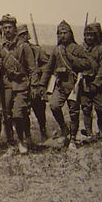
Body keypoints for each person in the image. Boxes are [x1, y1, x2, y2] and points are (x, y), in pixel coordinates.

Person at [39, 20, 96, 148]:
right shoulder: (56, 50)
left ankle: (73, 138)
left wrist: (71, 59)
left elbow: (89, 64)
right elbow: (49, 68)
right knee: (54, 105)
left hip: (74, 86)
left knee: (74, 112)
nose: (62, 35)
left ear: (70, 34)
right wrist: (42, 85)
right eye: (59, 33)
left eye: (65, 33)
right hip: (60, 85)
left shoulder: (78, 49)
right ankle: (64, 128)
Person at [0, 15, 39, 155]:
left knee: (18, 114)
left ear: (15, 29)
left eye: (10, 27)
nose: (7, 30)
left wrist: (35, 86)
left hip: (21, 85)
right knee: (6, 116)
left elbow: (32, 68)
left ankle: (21, 141)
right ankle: (11, 144)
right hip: (5, 86)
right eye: (4, 28)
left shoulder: (23, 47)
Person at [17, 24, 49, 141]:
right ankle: (28, 136)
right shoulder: (17, 50)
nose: (23, 37)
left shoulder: (37, 50)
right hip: (22, 85)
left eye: (24, 35)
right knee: (23, 112)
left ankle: (43, 130)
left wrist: (37, 71)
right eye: (20, 35)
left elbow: (47, 66)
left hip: (35, 84)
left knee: (40, 110)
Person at [80, 24, 102, 139]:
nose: (89, 38)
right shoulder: (80, 49)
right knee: (86, 108)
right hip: (85, 82)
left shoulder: (101, 50)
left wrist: (96, 83)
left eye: (91, 35)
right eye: (87, 35)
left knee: (101, 108)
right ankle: (88, 132)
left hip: (98, 84)